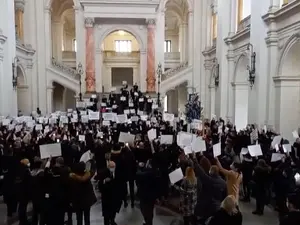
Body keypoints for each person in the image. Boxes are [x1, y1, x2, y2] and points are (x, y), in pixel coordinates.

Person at [98, 161, 123, 225]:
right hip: (106, 196)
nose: (113, 168)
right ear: (108, 167)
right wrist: (104, 181)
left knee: (113, 210)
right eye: (111, 167)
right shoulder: (103, 173)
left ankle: (112, 221)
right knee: (106, 213)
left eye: (113, 167)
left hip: (114, 195)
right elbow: (99, 184)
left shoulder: (118, 172)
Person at [136, 160, 159, 225]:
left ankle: (148, 222)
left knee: (145, 210)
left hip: (145, 195)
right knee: (149, 211)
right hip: (151, 196)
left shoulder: (148, 173)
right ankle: (148, 221)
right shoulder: (155, 172)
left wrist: (139, 167)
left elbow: (138, 175)